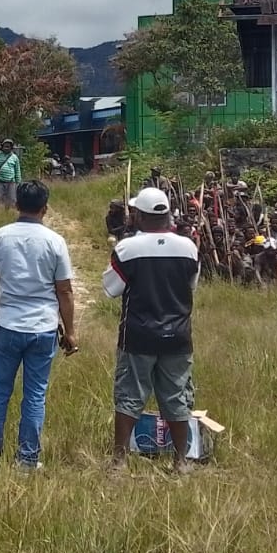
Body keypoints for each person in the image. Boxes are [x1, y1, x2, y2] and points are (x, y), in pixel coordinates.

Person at [0, 180, 77, 471]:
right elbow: (65, 290)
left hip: (8, 324)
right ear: (45, 208)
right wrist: (70, 330)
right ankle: (27, 459)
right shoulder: (54, 241)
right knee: (35, 395)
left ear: (17, 205)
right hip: (43, 326)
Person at [104, 187, 201, 473]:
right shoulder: (188, 247)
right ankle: (181, 461)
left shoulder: (127, 248)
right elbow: (191, 286)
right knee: (177, 396)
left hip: (138, 334)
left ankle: (120, 461)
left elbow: (111, 289)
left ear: (139, 215)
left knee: (130, 395)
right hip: (178, 335)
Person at [0, 138, 21, 209]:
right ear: (2, 147)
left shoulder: (14, 157)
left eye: (8, 146)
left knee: (12, 199)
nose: (6, 148)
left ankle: (9, 212)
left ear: (11, 148)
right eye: (5, 146)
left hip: (11, 182)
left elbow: (17, 170)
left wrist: (18, 182)